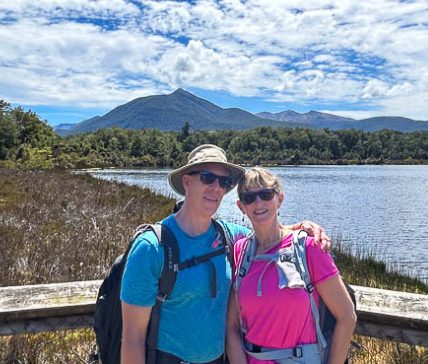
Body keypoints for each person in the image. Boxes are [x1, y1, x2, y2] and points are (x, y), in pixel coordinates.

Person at [120, 145, 330, 364]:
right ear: (187, 182)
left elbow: (269, 234)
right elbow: (133, 339)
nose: (216, 187)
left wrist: (300, 227)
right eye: (208, 177)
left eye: (224, 182)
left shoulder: (230, 236)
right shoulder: (152, 248)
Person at [226, 167, 356, 364]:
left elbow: (347, 316)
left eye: (266, 194)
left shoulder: (309, 248)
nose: (258, 202)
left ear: (280, 199)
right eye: (249, 198)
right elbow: (232, 327)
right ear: (241, 206)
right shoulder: (241, 252)